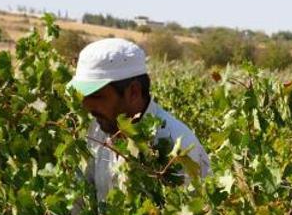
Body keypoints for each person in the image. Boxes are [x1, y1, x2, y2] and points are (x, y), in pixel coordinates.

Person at [68, 38, 210, 205]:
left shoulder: (178, 147)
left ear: (134, 92)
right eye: (83, 96)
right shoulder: (99, 128)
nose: (87, 106)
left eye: (97, 96)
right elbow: (84, 199)